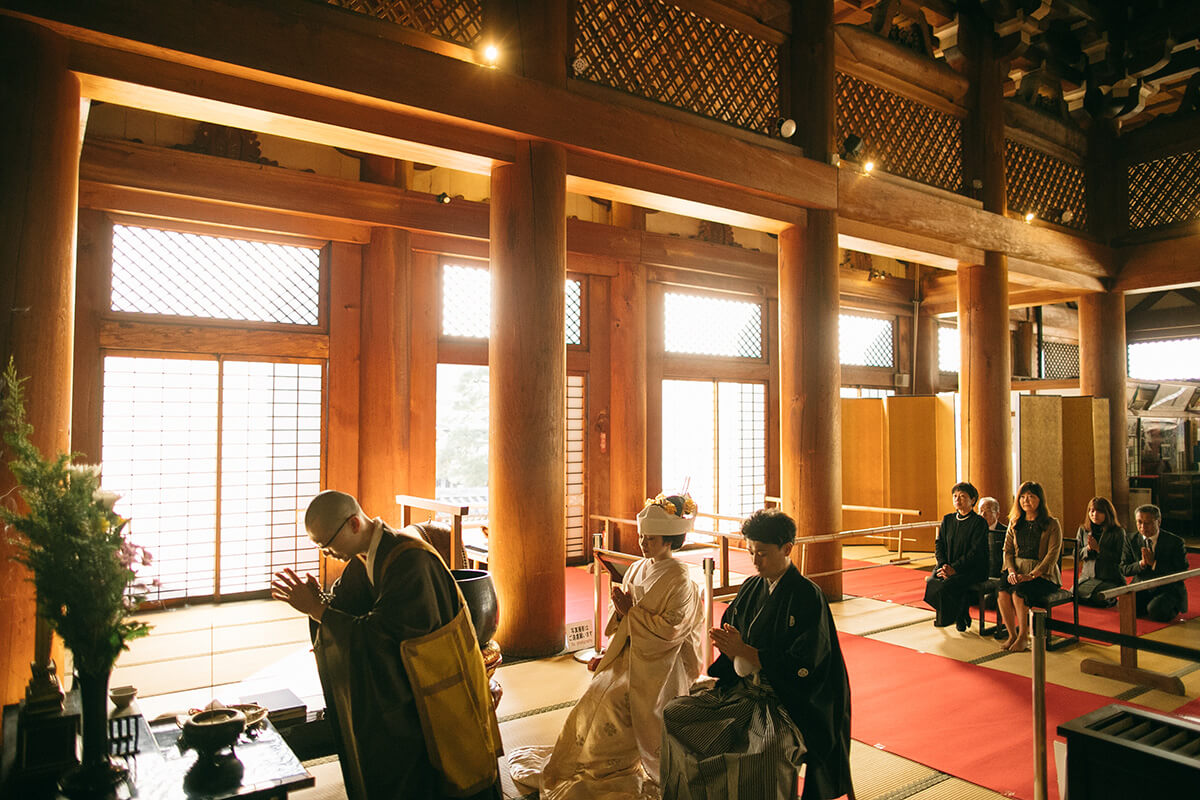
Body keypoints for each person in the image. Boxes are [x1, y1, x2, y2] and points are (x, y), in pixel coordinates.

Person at [271, 490, 502, 800]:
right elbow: (349, 612)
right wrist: (321, 602)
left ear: (354, 523)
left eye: (327, 544)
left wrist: (318, 610)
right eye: (320, 547)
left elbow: (381, 639)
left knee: (443, 775)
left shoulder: (410, 561)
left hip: (436, 690)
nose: (327, 554)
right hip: (409, 687)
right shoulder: (364, 559)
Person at [508, 493, 704, 799]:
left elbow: (672, 630)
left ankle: (610, 766)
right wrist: (618, 619)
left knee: (614, 700)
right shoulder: (640, 567)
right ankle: (585, 762)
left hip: (661, 663)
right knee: (595, 693)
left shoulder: (681, 578)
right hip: (630, 653)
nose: (642, 543)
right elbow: (624, 617)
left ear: (669, 539)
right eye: (641, 536)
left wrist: (631, 613)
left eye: (650, 538)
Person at [660, 508, 852, 800]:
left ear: (787, 548)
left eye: (761, 553)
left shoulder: (806, 595)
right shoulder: (751, 586)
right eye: (750, 552)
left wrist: (748, 652)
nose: (754, 560)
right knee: (675, 714)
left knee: (765, 751)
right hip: (743, 691)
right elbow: (734, 634)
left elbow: (807, 662)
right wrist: (729, 647)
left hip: (788, 702)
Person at [996, 481, 1063, 653]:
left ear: (1040, 500)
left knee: (1019, 592)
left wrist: (1033, 575)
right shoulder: (1015, 522)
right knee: (1002, 591)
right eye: (1023, 497)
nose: (1026, 501)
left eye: (1031, 497)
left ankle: (1023, 636)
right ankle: (1012, 634)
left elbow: (1052, 555)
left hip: (1043, 575)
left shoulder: (1052, 524)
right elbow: (1007, 551)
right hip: (1017, 570)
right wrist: (1010, 571)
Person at [924, 482, 989, 631]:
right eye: (955, 496)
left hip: (973, 568)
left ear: (973, 500)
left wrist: (955, 568)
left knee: (949, 584)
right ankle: (960, 610)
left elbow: (975, 552)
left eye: (962, 496)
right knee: (933, 582)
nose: (957, 499)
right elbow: (939, 544)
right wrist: (943, 565)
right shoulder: (948, 519)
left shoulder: (979, 523)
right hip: (948, 565)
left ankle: (957, 615)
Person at [1121, 504, 1189, 622]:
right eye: (1139, 522)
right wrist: (1141, 564)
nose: (1143, 527)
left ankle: (1171, 606)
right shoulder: (1130, 539)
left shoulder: (1175, 542)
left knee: (1156, 611)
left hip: (1168, 588)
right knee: (1125, 607)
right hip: (1142, 586)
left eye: (1148, 523)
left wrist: (1154, 563)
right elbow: (1124, 569)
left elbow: (1182, 572)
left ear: (1159, 521)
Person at [1073, 497, 1129, 608]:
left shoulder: (1118, 532)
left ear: (1107, 513)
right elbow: (1076, 554)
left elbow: (1120, 558)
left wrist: (1099, 550)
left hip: (1109, 577)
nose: (1095, 514)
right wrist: (1088, 549)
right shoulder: (1083, 530)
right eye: (1092, 511)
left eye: (1099, 511)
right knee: (1073, 595)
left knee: (1098, 597)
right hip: (1088, 577)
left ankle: (1111, 597)